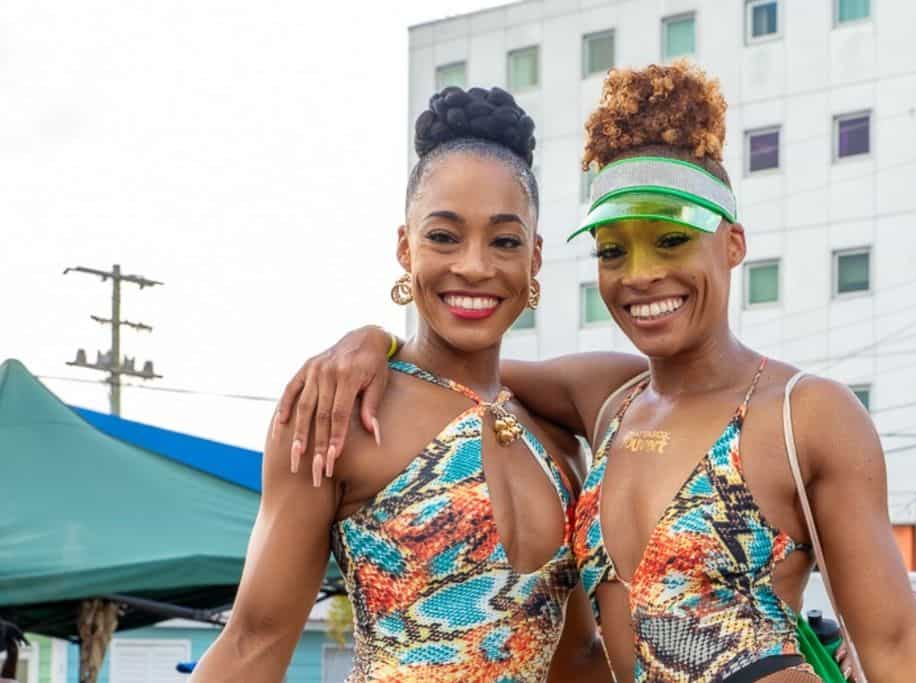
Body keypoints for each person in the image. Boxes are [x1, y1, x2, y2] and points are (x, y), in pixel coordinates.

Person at [277, 61, 916, 682]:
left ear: (734, 243)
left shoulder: (804, 411)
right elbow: (464, 361)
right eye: (613, 249)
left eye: (671, 239)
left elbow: (895, 645)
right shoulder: (609, 400)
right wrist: (369, 343)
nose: (642, 275)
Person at [190, 86, 610, 682]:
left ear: (535, 259)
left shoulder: (561, 440)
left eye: (504, 241)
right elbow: (253, 644)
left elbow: (582, 659)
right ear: (404, 247)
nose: (473, 265)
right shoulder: (338, 414)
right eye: (443, 236)